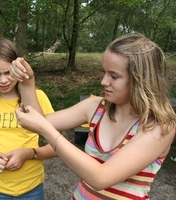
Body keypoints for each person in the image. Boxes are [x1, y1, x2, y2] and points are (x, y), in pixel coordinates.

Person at [10, 33, 176, 199]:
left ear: (141, 80)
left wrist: (48, 132)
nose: (104, 81)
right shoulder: (96, 107)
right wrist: (27, 81)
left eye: (114, 76)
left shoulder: (160, 126)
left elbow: (101, 178)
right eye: (104, 72)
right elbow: (40, 120)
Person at [0, 37, 57, 200]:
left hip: (31, 188)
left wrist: (29, 153)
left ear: (19, 69)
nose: (4, 80)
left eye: (8, 72)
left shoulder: (38, 98)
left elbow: (56, 146)